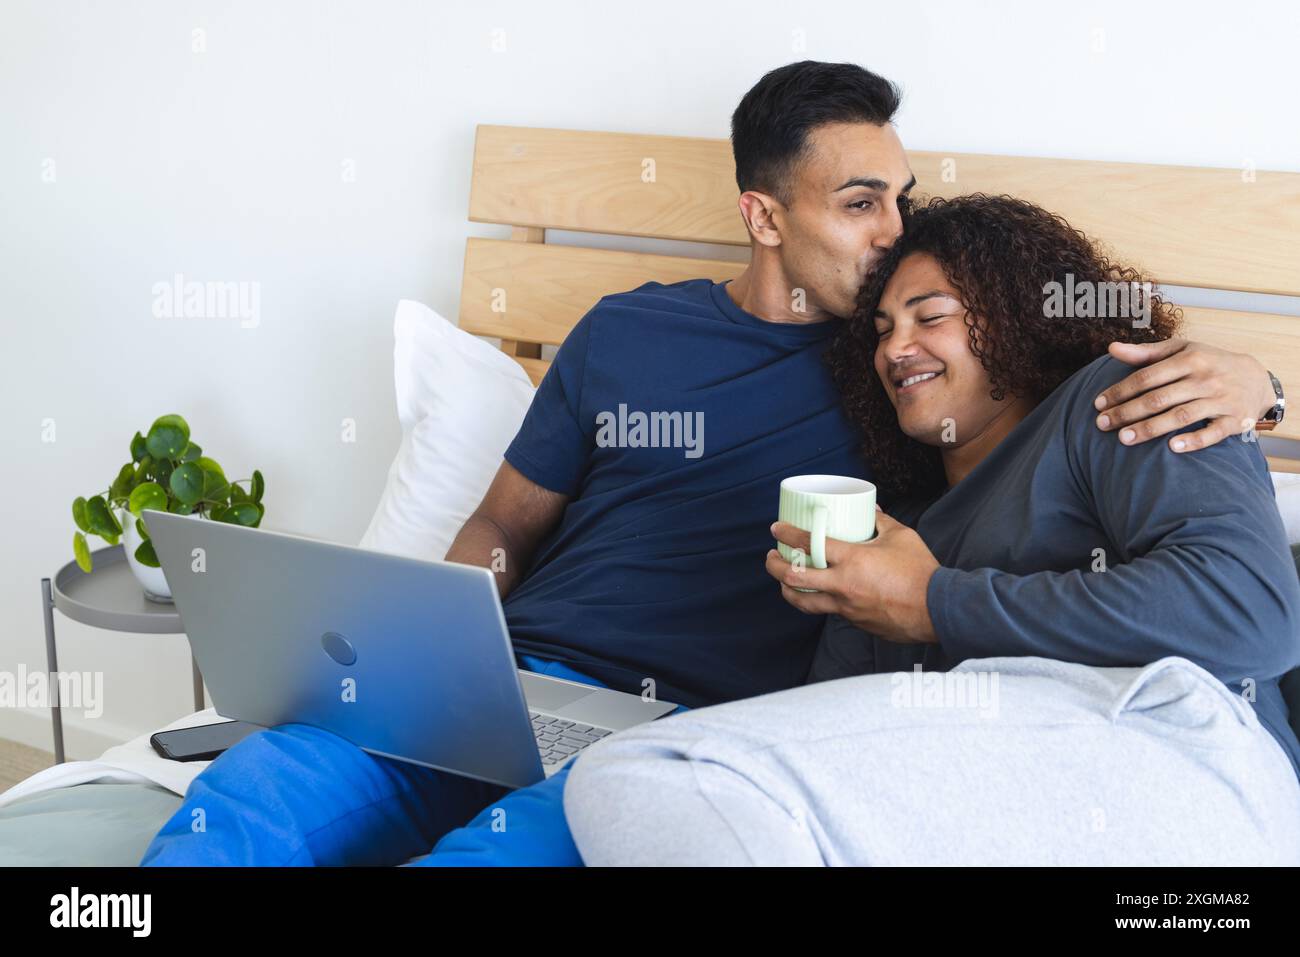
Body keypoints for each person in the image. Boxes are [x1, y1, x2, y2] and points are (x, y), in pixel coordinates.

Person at [142, 64, 1281, 866]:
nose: (890, 235)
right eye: (859, 202)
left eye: (904, 203)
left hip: (685, 725)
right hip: (501, 678)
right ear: (762, 215)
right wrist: (426, 643)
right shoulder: (630, 331)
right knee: (258, 791)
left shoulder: (919, 394)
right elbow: (499, 527)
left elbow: (1055, 376)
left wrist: (1259, 382)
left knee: (511, 852)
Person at [561, 194, 1300, 866]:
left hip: (1187, 762)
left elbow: (1252, 615)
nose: (893, 348)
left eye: (930, 315)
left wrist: (935, 602)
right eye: (881, 330)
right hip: (998, 801)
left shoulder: (1115, 400)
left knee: (633, 778)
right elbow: (839, 732)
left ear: (1014, 318)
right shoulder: (899, 537)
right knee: (675, 786)